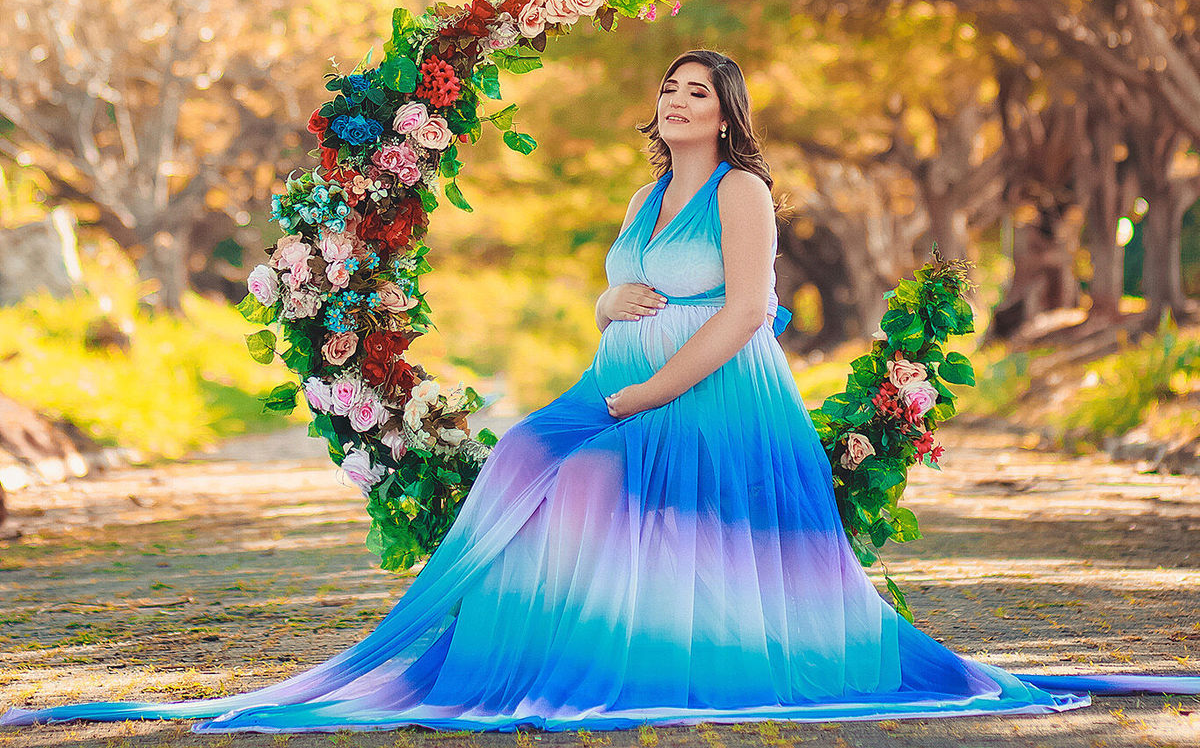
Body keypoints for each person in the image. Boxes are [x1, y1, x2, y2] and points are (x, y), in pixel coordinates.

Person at [4, 49, 1198, 733]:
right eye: (669, 93)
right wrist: (600, 322)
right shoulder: (640, 199)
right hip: (622, 378)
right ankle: (512, 645)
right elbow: (624, 288)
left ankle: (637, 651)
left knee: (579, 478)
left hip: (713, 393)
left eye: (695, 93)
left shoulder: (741, 188)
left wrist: (645, 392)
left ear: (725, 113)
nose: (676, 104)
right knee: (526, 458)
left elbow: (740, 312)